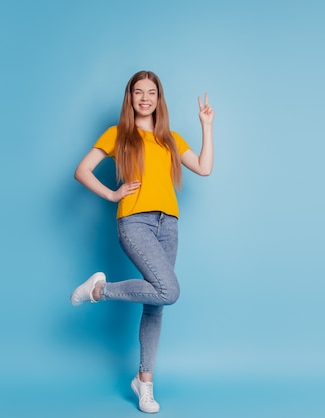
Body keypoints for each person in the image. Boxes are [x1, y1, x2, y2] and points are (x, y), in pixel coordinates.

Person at [70, 70, 214, 413]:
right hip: (134, 221)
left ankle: (144, 384)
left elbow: (205, 168)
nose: (145, 98)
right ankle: (98, 290)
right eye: (138, 92)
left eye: (151, 92)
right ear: (130, 98)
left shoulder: (170, 139)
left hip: (169, 225)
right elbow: (82, 170)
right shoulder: (119, 133)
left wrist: (206, 125)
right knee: (169, 290)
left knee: (157, 303)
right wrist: (111, 193)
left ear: (158, 99)